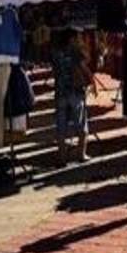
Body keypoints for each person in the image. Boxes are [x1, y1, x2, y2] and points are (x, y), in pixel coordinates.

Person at [50, 30, 91, 165]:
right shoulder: (76, 52)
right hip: (76, 91)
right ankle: (81, 154)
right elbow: (85, 64)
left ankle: (62, 158)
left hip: (61, 92)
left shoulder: (55, 53)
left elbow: (54, 70)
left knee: (61, 126)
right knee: (82, 124)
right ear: (72, 39)